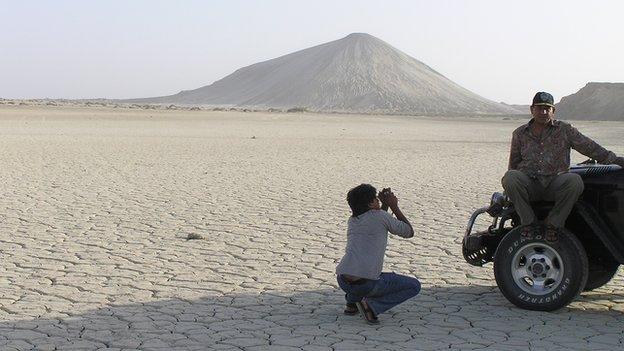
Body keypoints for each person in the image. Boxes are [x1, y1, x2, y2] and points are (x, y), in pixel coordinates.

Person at [502, 91, 624, 240]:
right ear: (532, 109)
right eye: (540, 108)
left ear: (553, 111)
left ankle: (553, 224)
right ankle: (528, 223)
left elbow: (589, 147)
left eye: (548, 108)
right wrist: (509, 192)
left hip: (555, 183)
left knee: (574, 181)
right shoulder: (520, 133)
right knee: (510, 177)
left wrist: (615, 160)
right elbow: (514, 163)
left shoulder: (564, 130)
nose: (544, 112)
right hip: (530, 184)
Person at [335, 184, 420, 325]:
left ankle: (352, 303)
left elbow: (377, 220)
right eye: (375, 199)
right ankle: (372, 307)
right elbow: (408, 232)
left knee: (359, 277)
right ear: (370, 203)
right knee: (414, 286)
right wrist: (394, 206)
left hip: (343, 280)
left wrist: (384, 205)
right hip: (366, 284)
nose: (378, 201)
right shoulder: (381, 216)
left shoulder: (353, 220)